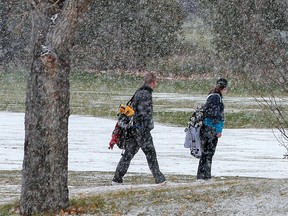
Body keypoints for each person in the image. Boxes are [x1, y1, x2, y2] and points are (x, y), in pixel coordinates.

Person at [112, 72, 166, 185]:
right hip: (141, 131)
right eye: (156, 81)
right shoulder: (146, 94)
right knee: (151, 155)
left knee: (128, 155)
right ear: (153, 82)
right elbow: (143, 114)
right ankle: (160, 180)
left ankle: (117, 179)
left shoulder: (139, 92)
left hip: (133, 130)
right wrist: (146, 128)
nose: (156, 84)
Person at [197, 78, 228, 180]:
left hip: (205, 128)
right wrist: (218, 130)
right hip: (211, 129)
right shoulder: (216, 98)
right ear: (224, 88)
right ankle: (205, 176)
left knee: (205, 153)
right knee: (209, 154)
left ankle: (202, 176)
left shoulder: (211, 96)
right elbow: (216, 116)